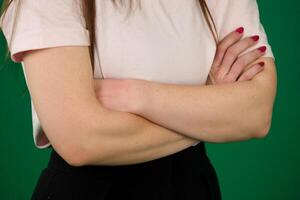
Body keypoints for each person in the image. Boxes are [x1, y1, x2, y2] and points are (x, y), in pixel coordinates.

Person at [0, 0, 277, 199]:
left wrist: (133, 94)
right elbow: (81, 142)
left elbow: (257, 114)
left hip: (192, 185)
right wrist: (212, 107)